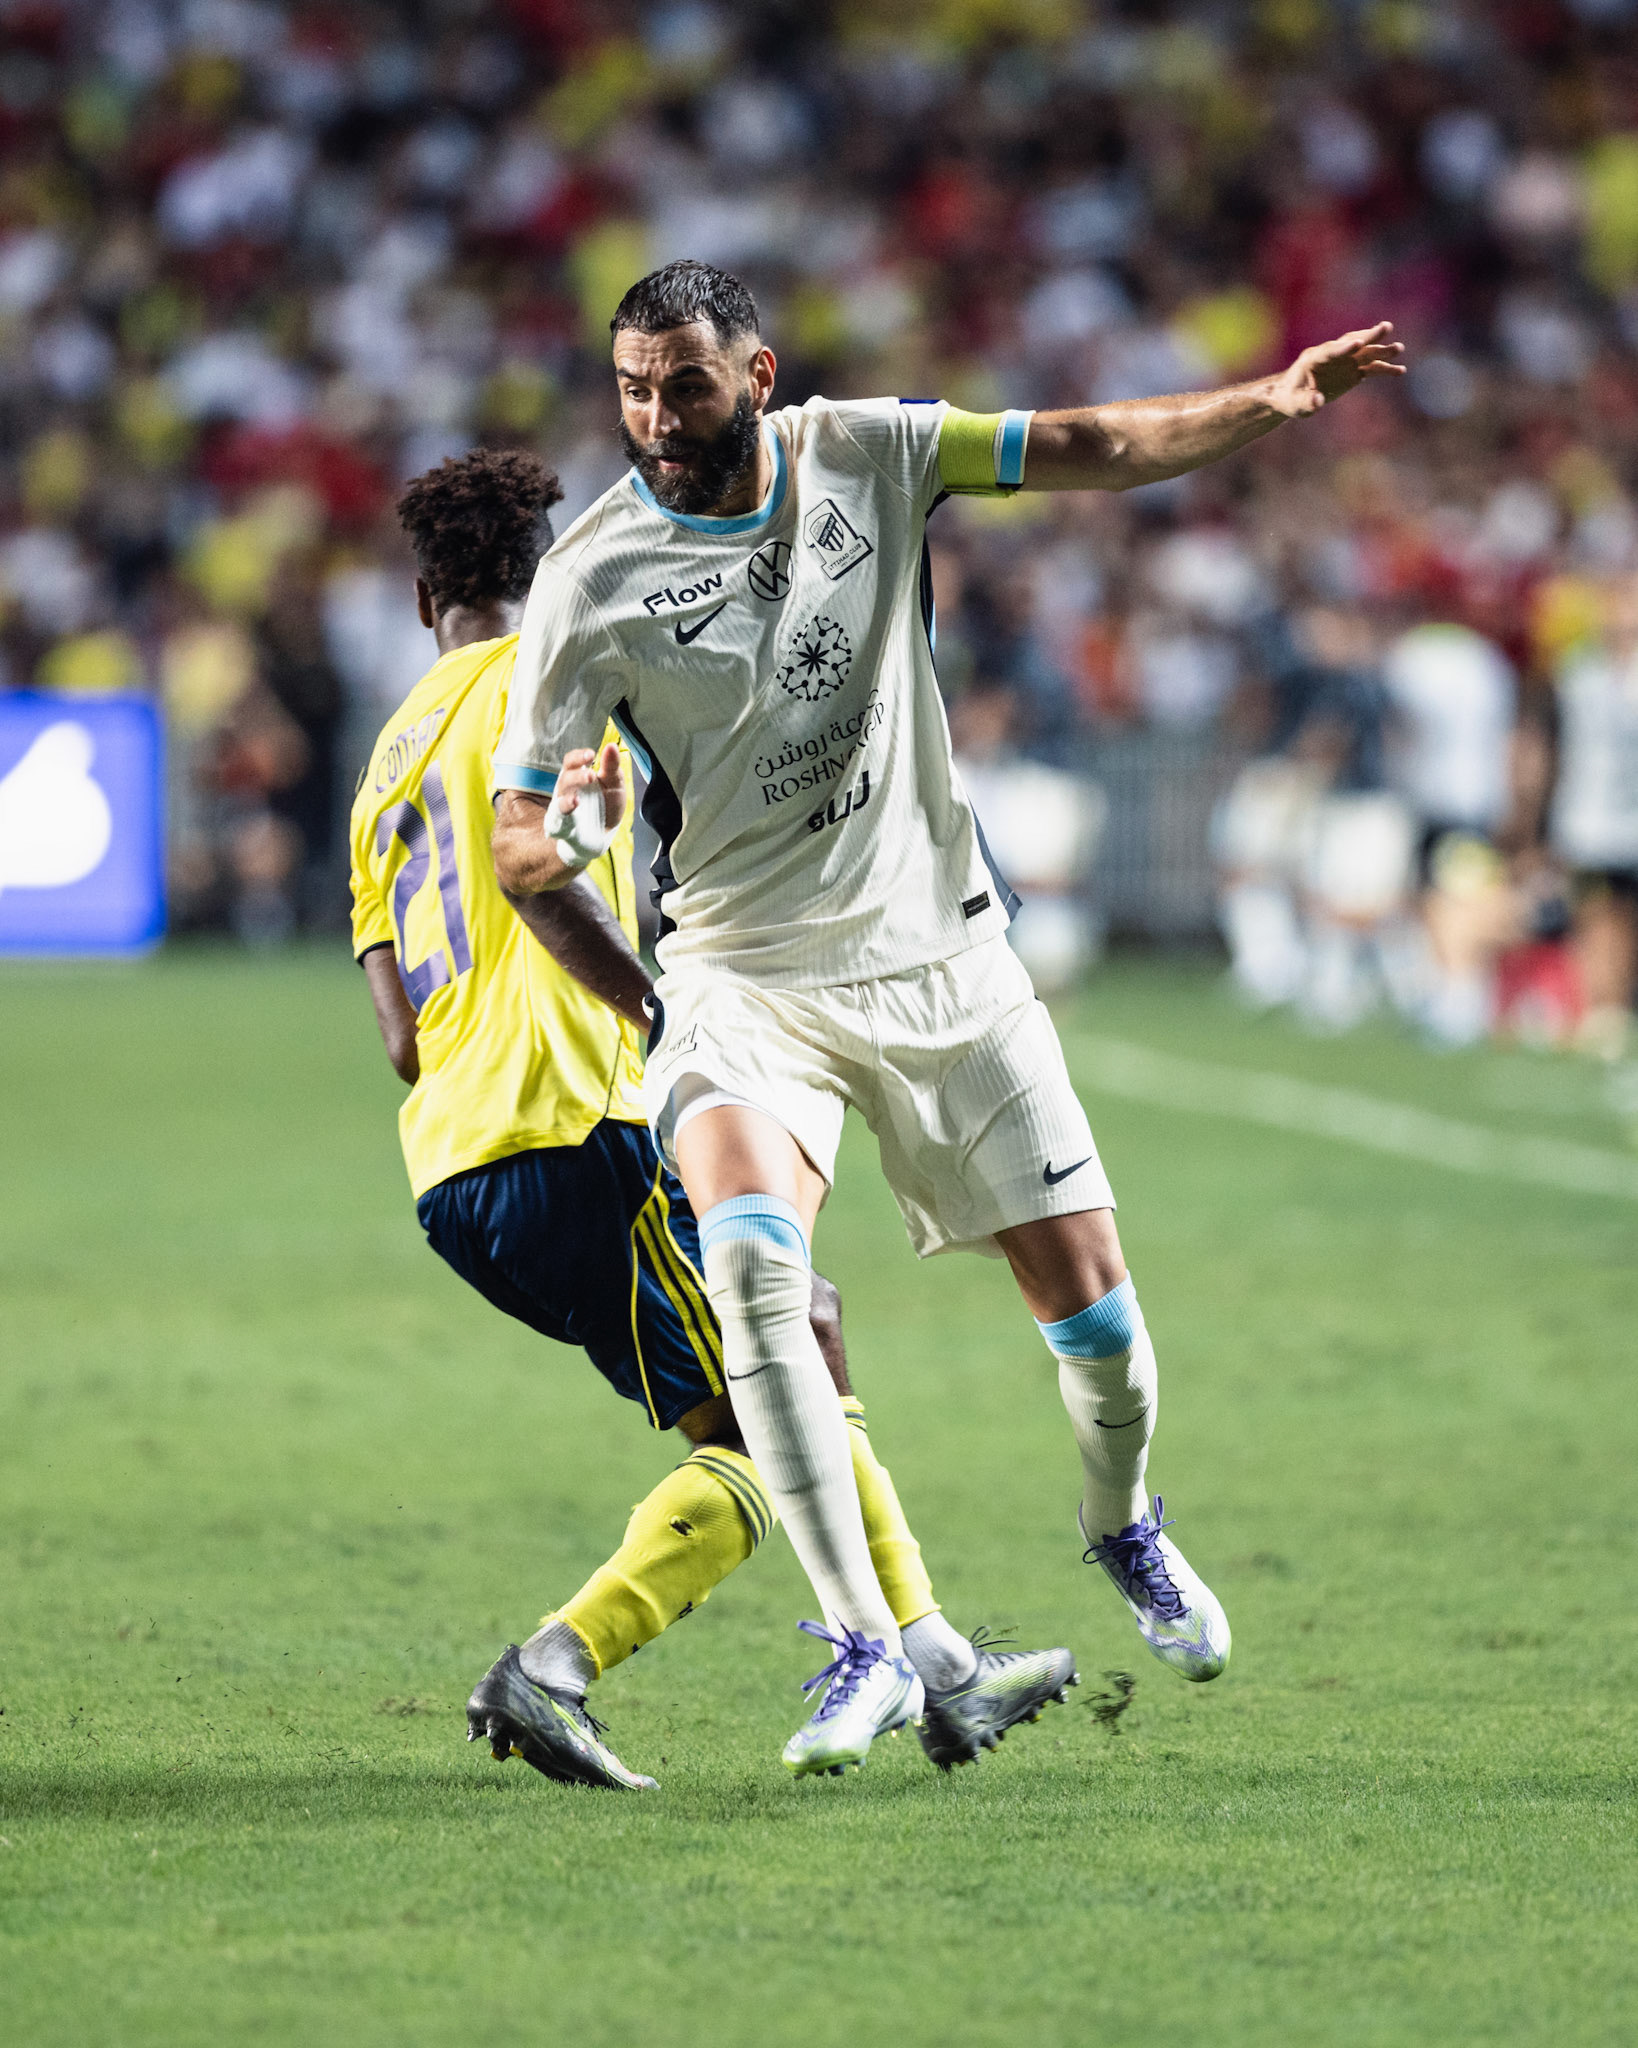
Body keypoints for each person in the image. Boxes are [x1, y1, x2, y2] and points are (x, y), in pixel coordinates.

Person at [490, 260, 1405, 1776]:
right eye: (632, 389)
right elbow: (521, 850)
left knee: (1099, 1325)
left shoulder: (871, 450)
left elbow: (1084, 445)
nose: (654, 417)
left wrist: (1266, 401)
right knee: (752, 1276)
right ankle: (865, 1643)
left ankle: (1119, 1524)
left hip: (943, 960)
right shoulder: (588, 577)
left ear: (760, 376)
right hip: (743, 974)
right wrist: (593, 877)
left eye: (686, 386)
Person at [348, 448, 1076, 1792]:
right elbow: (542, 880)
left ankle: (935, 1664)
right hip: (577, 1126)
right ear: (554, 577)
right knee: (761, 1428)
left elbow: (398, 1040)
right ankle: (553, 1668)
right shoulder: (552, 691)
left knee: (802, 1322)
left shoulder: (384, 770)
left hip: (455, 1173)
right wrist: (651, 1006)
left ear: (417, 600)